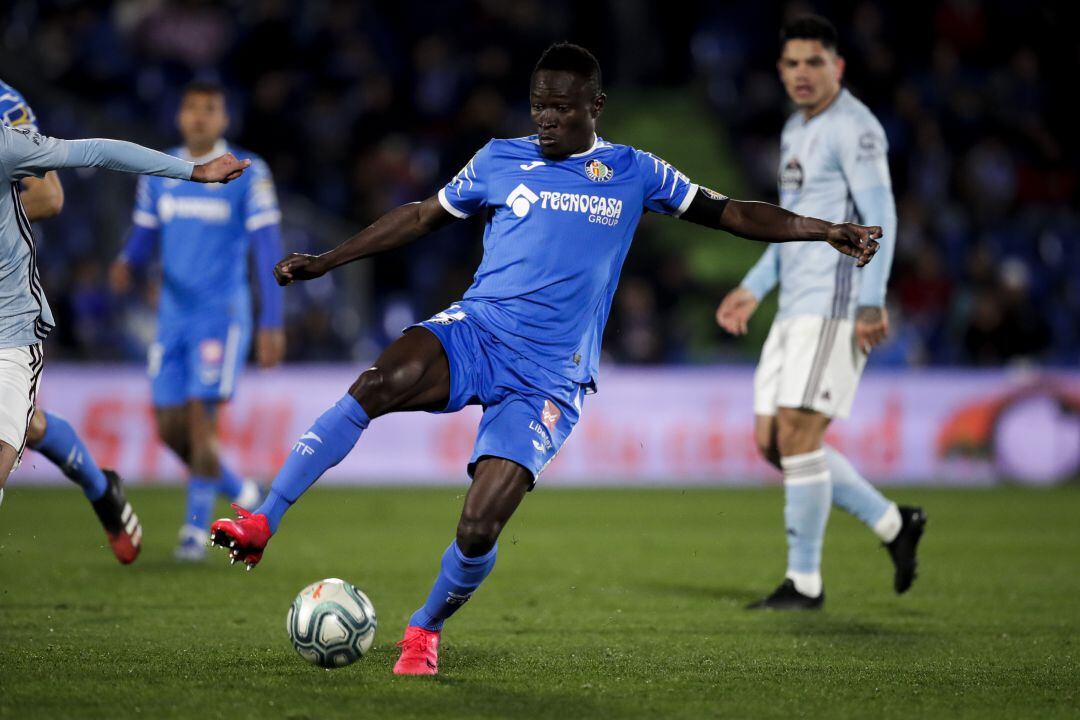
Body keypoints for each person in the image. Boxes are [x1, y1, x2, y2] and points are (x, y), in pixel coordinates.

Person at [209, 43, 880, 675]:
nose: (547, 118)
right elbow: (419, 217)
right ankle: (263, 519)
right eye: (539, 104)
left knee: (478, 525)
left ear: (596, 107)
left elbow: (729, 211)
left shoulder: (634, 171)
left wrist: (823, 230)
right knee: (379, 381)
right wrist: (328, 261)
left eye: (562, 107)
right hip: (476, 332)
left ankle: (425, 627)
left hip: (549, 379)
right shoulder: (501, 159)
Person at [715, 16, 925, 610]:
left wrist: (870, 301)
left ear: (838, 66)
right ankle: (893, 524)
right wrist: (755, 286)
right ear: (780, 71)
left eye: (814, 62)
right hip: (793, 307)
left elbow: (882, 212)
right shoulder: (793, 130)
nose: (802, 73)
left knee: (798, 435)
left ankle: (803, 582)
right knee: (772, 442)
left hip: (835, 303)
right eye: (791, 63)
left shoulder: (855, 129)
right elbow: (793, 225)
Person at [0, 118, 250, 520]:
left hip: (7, 329)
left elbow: (97, 151)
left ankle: (120, 498)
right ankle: (103, 493)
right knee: (34, 427)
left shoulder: (4, 144)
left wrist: (194, 172)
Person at [110, 81, 285, 562]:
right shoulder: (160, 171)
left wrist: (272, 321)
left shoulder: (248, 172)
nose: (200, 117)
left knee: (201, 422)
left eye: (210, 109)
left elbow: (267, 247)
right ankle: (242, 490)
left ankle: (194, 533)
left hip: (221, 316)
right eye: (192, 108)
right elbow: (145, 235)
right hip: (171, 318)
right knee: (169, 429)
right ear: (180, 116)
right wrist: (128, 262)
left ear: (225, 118)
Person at [0, 78, 145, 563]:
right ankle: (101, 488)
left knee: (28, 426)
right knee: (29, 424)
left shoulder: (6, 104)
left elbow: (49, 196)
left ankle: (100, 487)